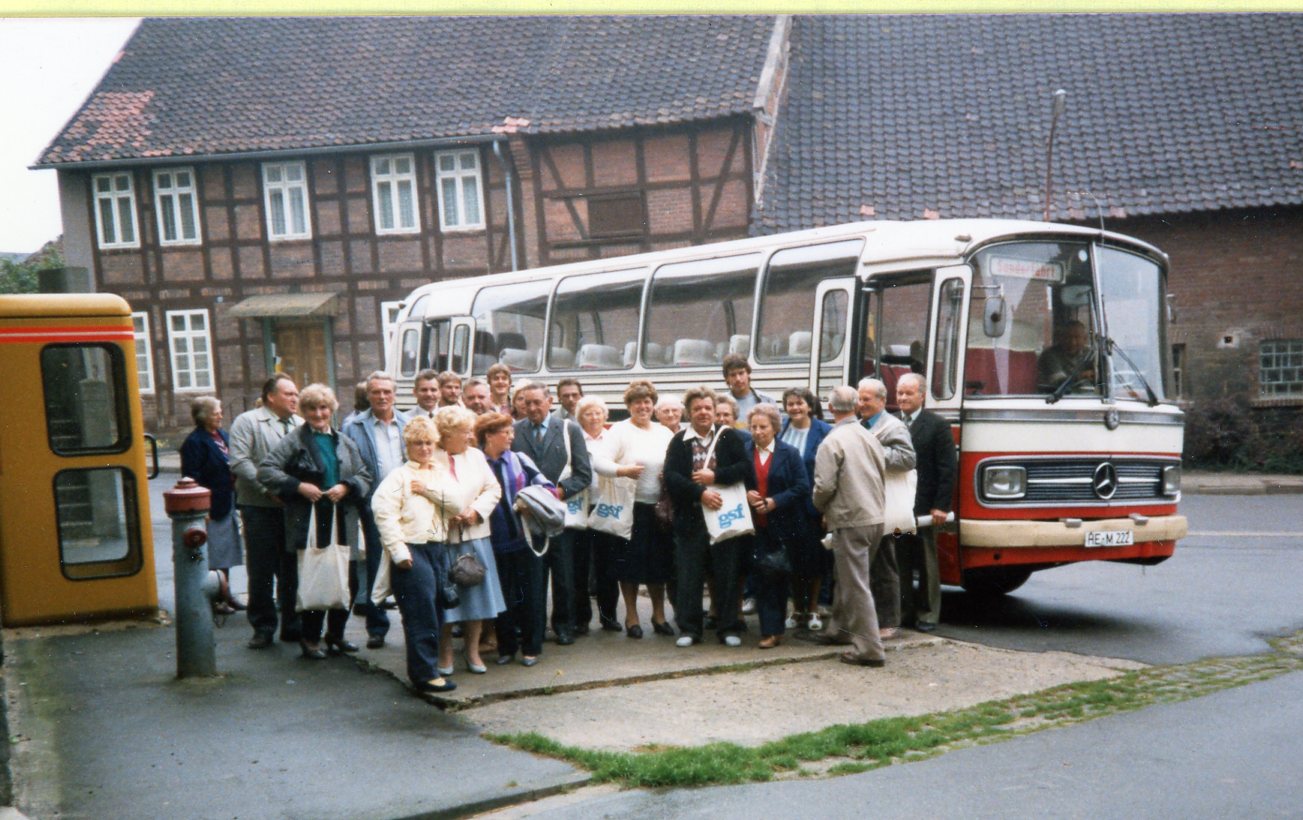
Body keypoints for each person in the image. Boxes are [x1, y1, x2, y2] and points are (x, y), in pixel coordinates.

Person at [257, 384, 371, 660]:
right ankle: (310, 639)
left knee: (349, 580)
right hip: (310, 521)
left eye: (323, 408)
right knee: (315, 578)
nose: (318, 414)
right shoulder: (295, 440)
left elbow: (365, 474)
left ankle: (336, 635)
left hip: (342, 519)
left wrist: (346, 486)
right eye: (311, 408)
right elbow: (266, 470)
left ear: (331, 410)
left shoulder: (344, 441)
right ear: (303, 411)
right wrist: (298, 486)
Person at [370, 416, 458, 694]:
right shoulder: (399, 476)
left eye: (429, 443)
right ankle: (424, 674)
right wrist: (398, 551)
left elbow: (456, 503)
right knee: (421, 612)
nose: (424, 449)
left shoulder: (438, 473)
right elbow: (382, 512)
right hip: (412, 549)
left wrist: (428, 489)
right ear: (408, 446)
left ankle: (427, 668)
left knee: (437, 610)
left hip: (438, 548)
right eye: (418, 443)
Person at [664, 386, 755, 647]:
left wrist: (716, 477)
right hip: (691, 519)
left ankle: (728, 628)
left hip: (724, 515)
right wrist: (700, 492)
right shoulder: (679, 440)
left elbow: (744, 468)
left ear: (715, 411)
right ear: (688, 413)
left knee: (726, 573)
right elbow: (672, 477)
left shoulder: (730, 437)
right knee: (689, 575)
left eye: (707, 408)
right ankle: (690, 630)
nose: (703, 413)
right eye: (697, 409)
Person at [811, 385, 888, 668]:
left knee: (855, 583)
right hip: (875, 516)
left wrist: (820, 507)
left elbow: (824, 486)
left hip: (849, 517)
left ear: (831, 409)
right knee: (848, 577)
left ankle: (869, 648)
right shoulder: (870, 437)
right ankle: (839, 630)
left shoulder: (832, 441)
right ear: (855, 407)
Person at [510, 381, 592, 645]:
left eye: (537, 402)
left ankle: (564, 626)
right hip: (529, 516)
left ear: (549, 402)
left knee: (564, 575)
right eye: (526, 402)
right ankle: (534, 627)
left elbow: (583, 474)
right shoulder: (514, 431)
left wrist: (559, 492)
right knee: (533, 577)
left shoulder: (569, 429)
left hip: (560, 514)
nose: (532, 407)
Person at [229, 374, 302, 649]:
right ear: (271, 396)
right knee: (261, 568)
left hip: (292, 507)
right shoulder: (248, 421)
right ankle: (263, 626)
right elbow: (239, 461)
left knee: (291, 568)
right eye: (289, 394)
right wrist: (265, 488)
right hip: (259, 507)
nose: (295, 398)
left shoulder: (300, 424)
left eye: (296, 394)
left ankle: (292, 624)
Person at [431, 406, 505, 676]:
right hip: (444, 539)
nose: (470, 436)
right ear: (445, 435)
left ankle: (473, 651)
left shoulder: (475, 456)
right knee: (446, 599)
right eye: (464, 432)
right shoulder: (431, 457)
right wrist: (445, 515)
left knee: (476, 599)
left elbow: (493, 487)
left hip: (475, 537)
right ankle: (445, 652)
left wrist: (475, 511)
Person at [476, 412, 553, 666]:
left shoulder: (520, 459)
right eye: (505, 432)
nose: (511, 436)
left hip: (524, 540)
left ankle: (531, 648)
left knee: (529, 594)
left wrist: (531, 499)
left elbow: (547, 486)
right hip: (491, 541)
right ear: (489, 435)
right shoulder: (476, 462)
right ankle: (506, 647)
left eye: (511, 431)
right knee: (502, 596)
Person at [600, 381, 675, 638]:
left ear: (653, 405)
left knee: (658, 565)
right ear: (629, 405)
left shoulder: (664, 432)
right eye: (637, 402)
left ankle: (659, 615)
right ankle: (632, 616)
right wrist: (622, 470)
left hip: (659, 510)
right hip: (629, 509)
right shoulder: (619, 431)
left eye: (647, 402)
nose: (642, 406)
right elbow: (599, 462)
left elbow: (675, 463)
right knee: (628, 565)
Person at [341, 371, 410, 648]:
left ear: (394, 394)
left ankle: (411, 621)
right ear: (368, 395)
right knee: (375, 563)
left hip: (407, 503)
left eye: (387, 391)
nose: (382, 397)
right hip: (374, 504)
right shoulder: (354, 426)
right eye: (376, 392)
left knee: (409, 562)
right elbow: (350, 465)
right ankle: (377, 626)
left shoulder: (408, 423)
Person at [744, 404, 813, 649]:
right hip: (755, 526)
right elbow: (736, 482)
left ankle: (775, 629)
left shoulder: (789, 453)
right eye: (753, 427)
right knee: (763, 577)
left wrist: (775, 501)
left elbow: (802, 486)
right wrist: (746, 495)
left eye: (763, 427)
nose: (758, 432)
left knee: (778, 576)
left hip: (784, 526)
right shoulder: (745, 452)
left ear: (774, 428)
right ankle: (770, 630)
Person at [894, 373, 956, 633]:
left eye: (909, 393)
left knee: (926, 560)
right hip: (898, 505)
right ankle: (904, 611)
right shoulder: (892, 423)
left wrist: (941, 505)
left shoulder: (937, 425)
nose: (903, 398)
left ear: (922, 395)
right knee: (900, 560)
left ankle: (928, 614)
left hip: (925, 506)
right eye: (899, 393)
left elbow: (947, 468)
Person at [857, 377, 916, 639]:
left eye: (867, 399)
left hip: (883, 506)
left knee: (883, 564)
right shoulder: (861, 425)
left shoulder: (893, 426)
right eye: (859, 399)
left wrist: (873, 453)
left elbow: (907, 459)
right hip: (864, 505)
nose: (861, 404)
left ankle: (889, 622)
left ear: (881, 401)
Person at [180, 396, 244, 615]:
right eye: (216, 412)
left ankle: (225, 593)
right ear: (203, 416)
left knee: (225, 551)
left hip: (228, 501)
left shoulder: (222, 436)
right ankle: (216, 598)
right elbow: (192, 477)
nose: (220, 415)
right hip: (212, 507)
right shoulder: (195, 442)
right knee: (214, 554)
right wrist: (202, 509)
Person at [778, 387, 833, 631]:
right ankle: (796, 609)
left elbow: (832, 474)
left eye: (799, 403)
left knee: (815, 560)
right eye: (790, 404)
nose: (795, 408)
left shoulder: (825, 431)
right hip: (785, 506)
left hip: (813, 507)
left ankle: (813, 609)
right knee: (791, 560)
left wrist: (827, 509)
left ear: (810, 406)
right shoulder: (779, 429)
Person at [571, 394, 624, 634]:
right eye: (588, 414)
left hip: (606, 504)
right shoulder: (574, 437)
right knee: (579, 564)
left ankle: (608, 616)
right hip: (580, 506)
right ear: (580, 417)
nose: (593, 418)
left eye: (597, 413)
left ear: (605, 415)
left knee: (607, 564)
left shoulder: (613, 438)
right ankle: (581, 619)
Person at [1037, 319, 1097, 393]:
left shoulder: (1090, 354)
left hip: (1087, 397)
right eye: (1067, 337)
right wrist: (1081, 376)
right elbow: (1059, 382)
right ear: (1060, 338)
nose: (1073, 342)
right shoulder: (1050, 355)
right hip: (1055, 397)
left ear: (1085, 339)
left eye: (1077, 337)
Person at [721, 353, 777, 419]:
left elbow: (777, 427)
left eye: (741, 373)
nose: (738, 379)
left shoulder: (766, 401)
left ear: (748, 373)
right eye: (733, 375)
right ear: (727, 378)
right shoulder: (720, 403)